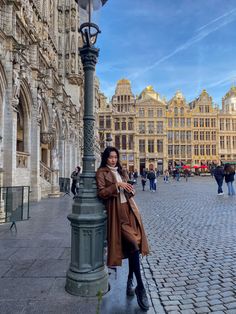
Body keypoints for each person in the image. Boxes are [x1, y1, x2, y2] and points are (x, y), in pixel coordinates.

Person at [96, 147, 149, 311]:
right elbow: (101, 193)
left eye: (115, 157)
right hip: (117, 215)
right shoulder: (101, 173)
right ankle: (140, 287)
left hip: (130, 211)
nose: (113, 160)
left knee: (134, 249)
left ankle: (130, 280)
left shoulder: (122, 171)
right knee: (133, 244)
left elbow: (126, 192)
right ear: (105, 158)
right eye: (110, 157)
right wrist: (117, 185)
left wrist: (130, 190)